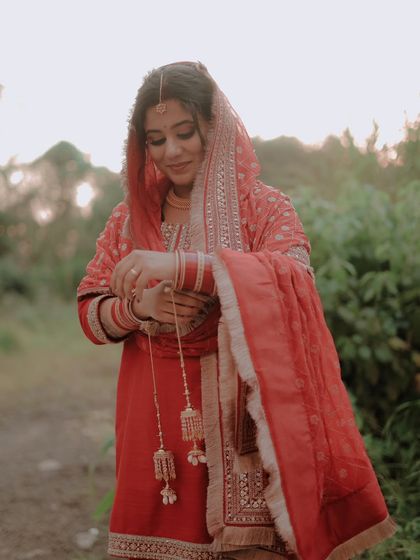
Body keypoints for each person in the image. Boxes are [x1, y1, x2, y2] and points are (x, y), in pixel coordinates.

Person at [77, 62, 396, 560]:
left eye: (185, 132)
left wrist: (182, 266)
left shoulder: (264, 208)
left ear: (214, 125)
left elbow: (294, 282)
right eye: (156, 139)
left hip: (243, 419)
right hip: (155, 421)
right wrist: (141, 307)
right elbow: (90, 307)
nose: (172, 150)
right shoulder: (129, 219)